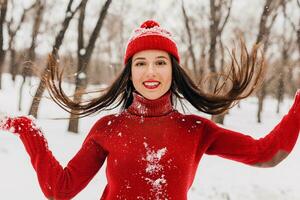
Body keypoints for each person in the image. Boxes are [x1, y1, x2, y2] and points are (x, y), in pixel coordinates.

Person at [0, 20, 299, 200]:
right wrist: (29, 130)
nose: (150, 72)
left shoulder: (195, 130)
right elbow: (60, 189)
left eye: (160, 62)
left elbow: (266, 154)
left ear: (173, 70)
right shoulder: (108, 128)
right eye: (140, 63)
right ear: (129, 73)